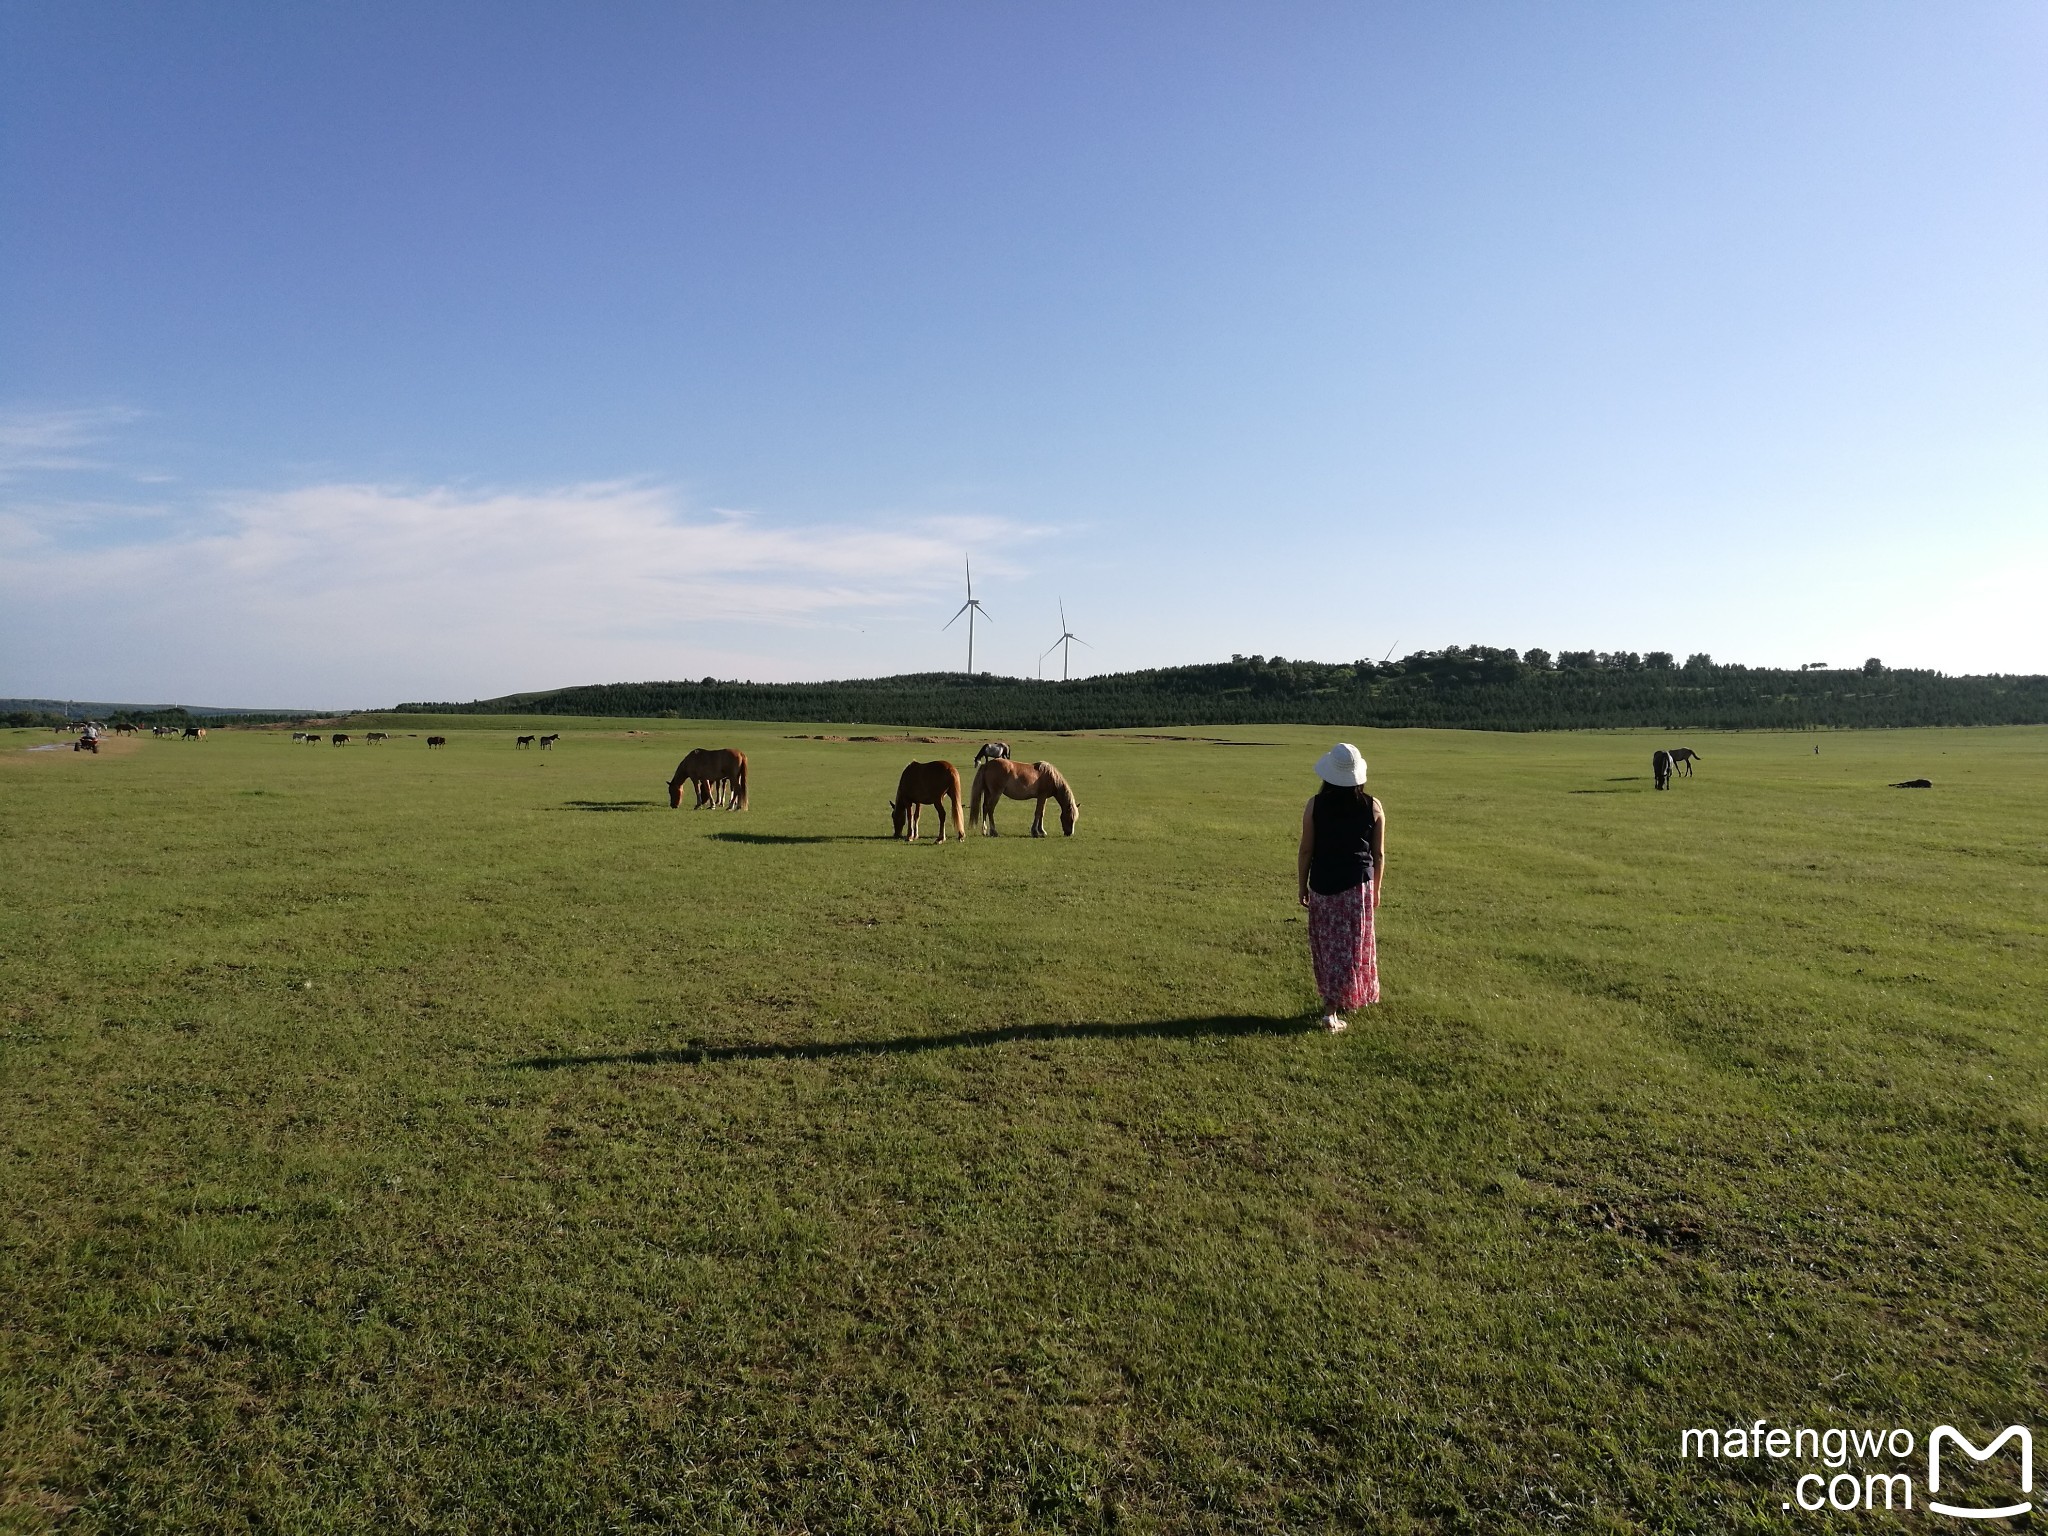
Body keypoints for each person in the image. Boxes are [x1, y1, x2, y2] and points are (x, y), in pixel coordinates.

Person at [1296, 742, 1384, 1032]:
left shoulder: (1315, 805)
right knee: (1354, 945)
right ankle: (1341, 1003)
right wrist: (1378, 889)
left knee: (1329, 946)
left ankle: (1331, 1007)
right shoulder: (1373, 806)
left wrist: (1302, 885)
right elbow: (1379, 853)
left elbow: (1306, 850)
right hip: (1359, 886)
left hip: (1323, 883)